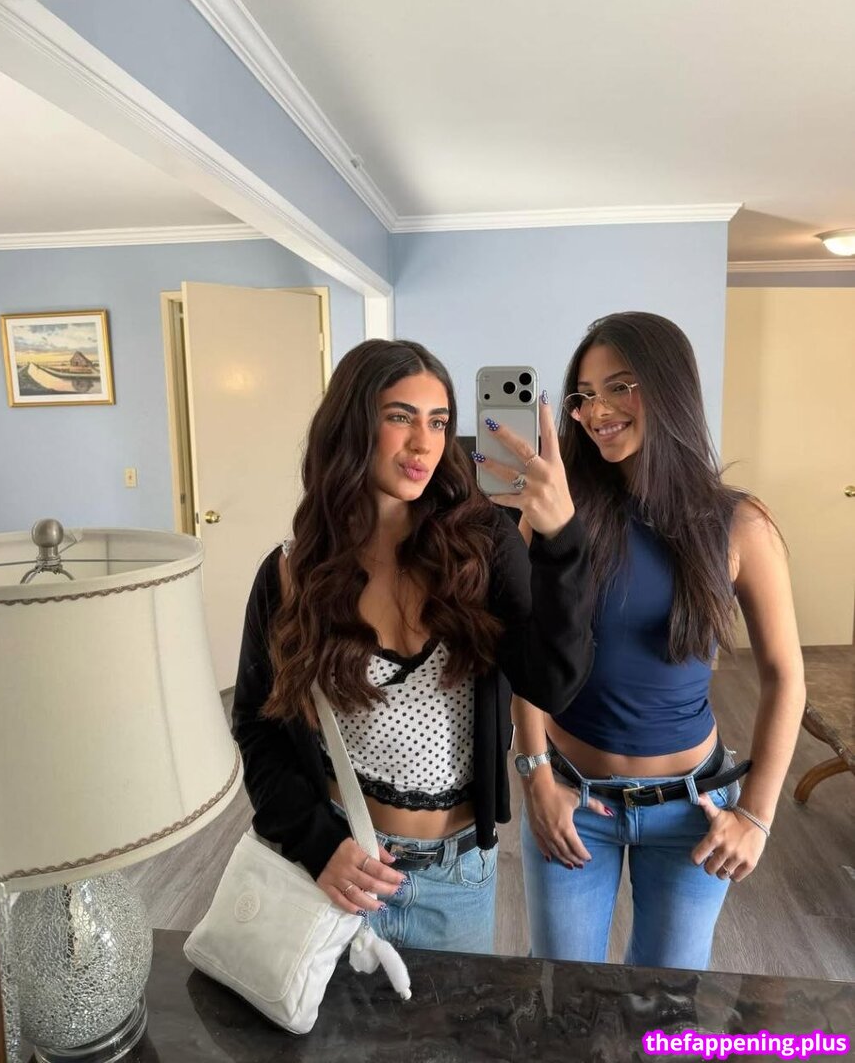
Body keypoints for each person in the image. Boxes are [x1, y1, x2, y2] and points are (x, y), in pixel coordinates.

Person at [232, 338, 593, 955]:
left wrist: (562, 540)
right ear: (352, 424)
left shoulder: (482, 549)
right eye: (400, 417)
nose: (424, 443)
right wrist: (317, 843)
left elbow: (553, 683)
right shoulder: (292, 573)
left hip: (457, 878)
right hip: (342, 872)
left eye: (439, 421)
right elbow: (257, 726)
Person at [511, 312, 805, 970]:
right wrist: (534, 776)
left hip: (691, 813)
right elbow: (527, 654)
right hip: (572, 799)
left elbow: (785, 674)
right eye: (585, 395)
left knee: (666, 1007)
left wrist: (756, 816)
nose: (597, 412)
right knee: (564, 997)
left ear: (669, 388)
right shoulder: (556, 515)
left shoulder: (739, 524)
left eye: (620, 387)